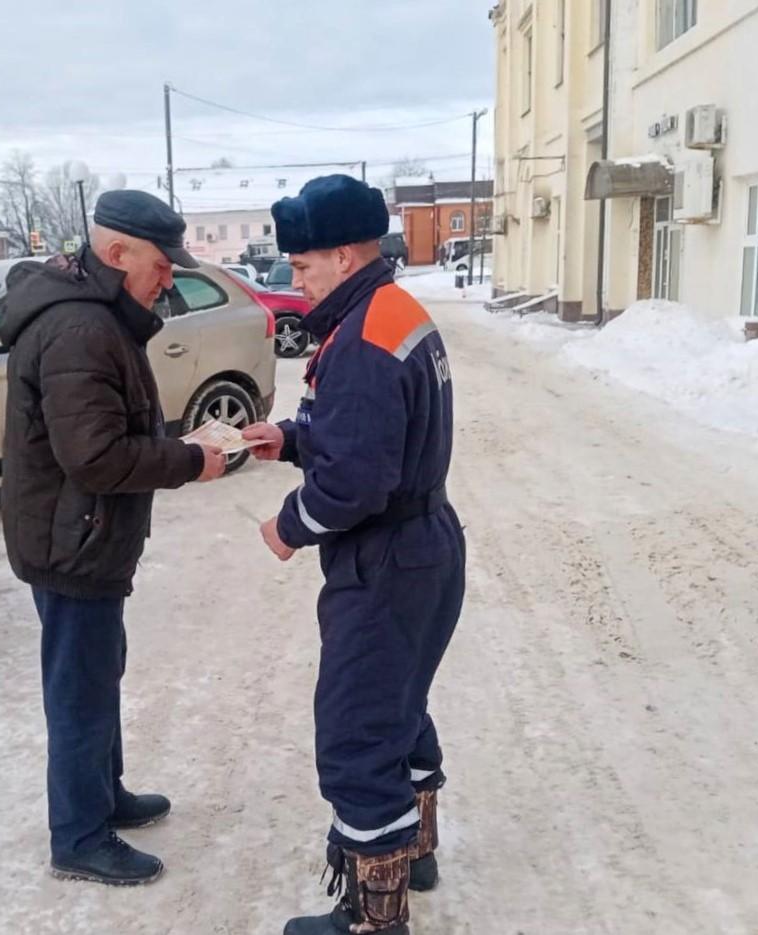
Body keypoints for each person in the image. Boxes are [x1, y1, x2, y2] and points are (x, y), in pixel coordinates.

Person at [243, 176, 466, 935]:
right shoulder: (389, 311)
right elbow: (376, 437)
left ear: (343, 254)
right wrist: (291, 439)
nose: (294, 282)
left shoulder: (364, 336)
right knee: (396, 705)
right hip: (425, 544)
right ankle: (415, 848)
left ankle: (375, 918)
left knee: (353, 734)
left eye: (302, 267)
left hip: (385, 558)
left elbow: (356, 481)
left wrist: (289, 524)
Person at [0, 190, 226, 886]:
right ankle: (79, 833)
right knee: (80, 690)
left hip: (81, 533)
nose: (169, 279)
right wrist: (188, 459)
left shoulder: (99, 318)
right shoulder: (79, 329)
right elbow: (93, 457)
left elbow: (105, 431)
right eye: (162, 265)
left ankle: (105, 794)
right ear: (117, 252)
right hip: (73, 541)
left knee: (99, 671)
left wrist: (174, 441)